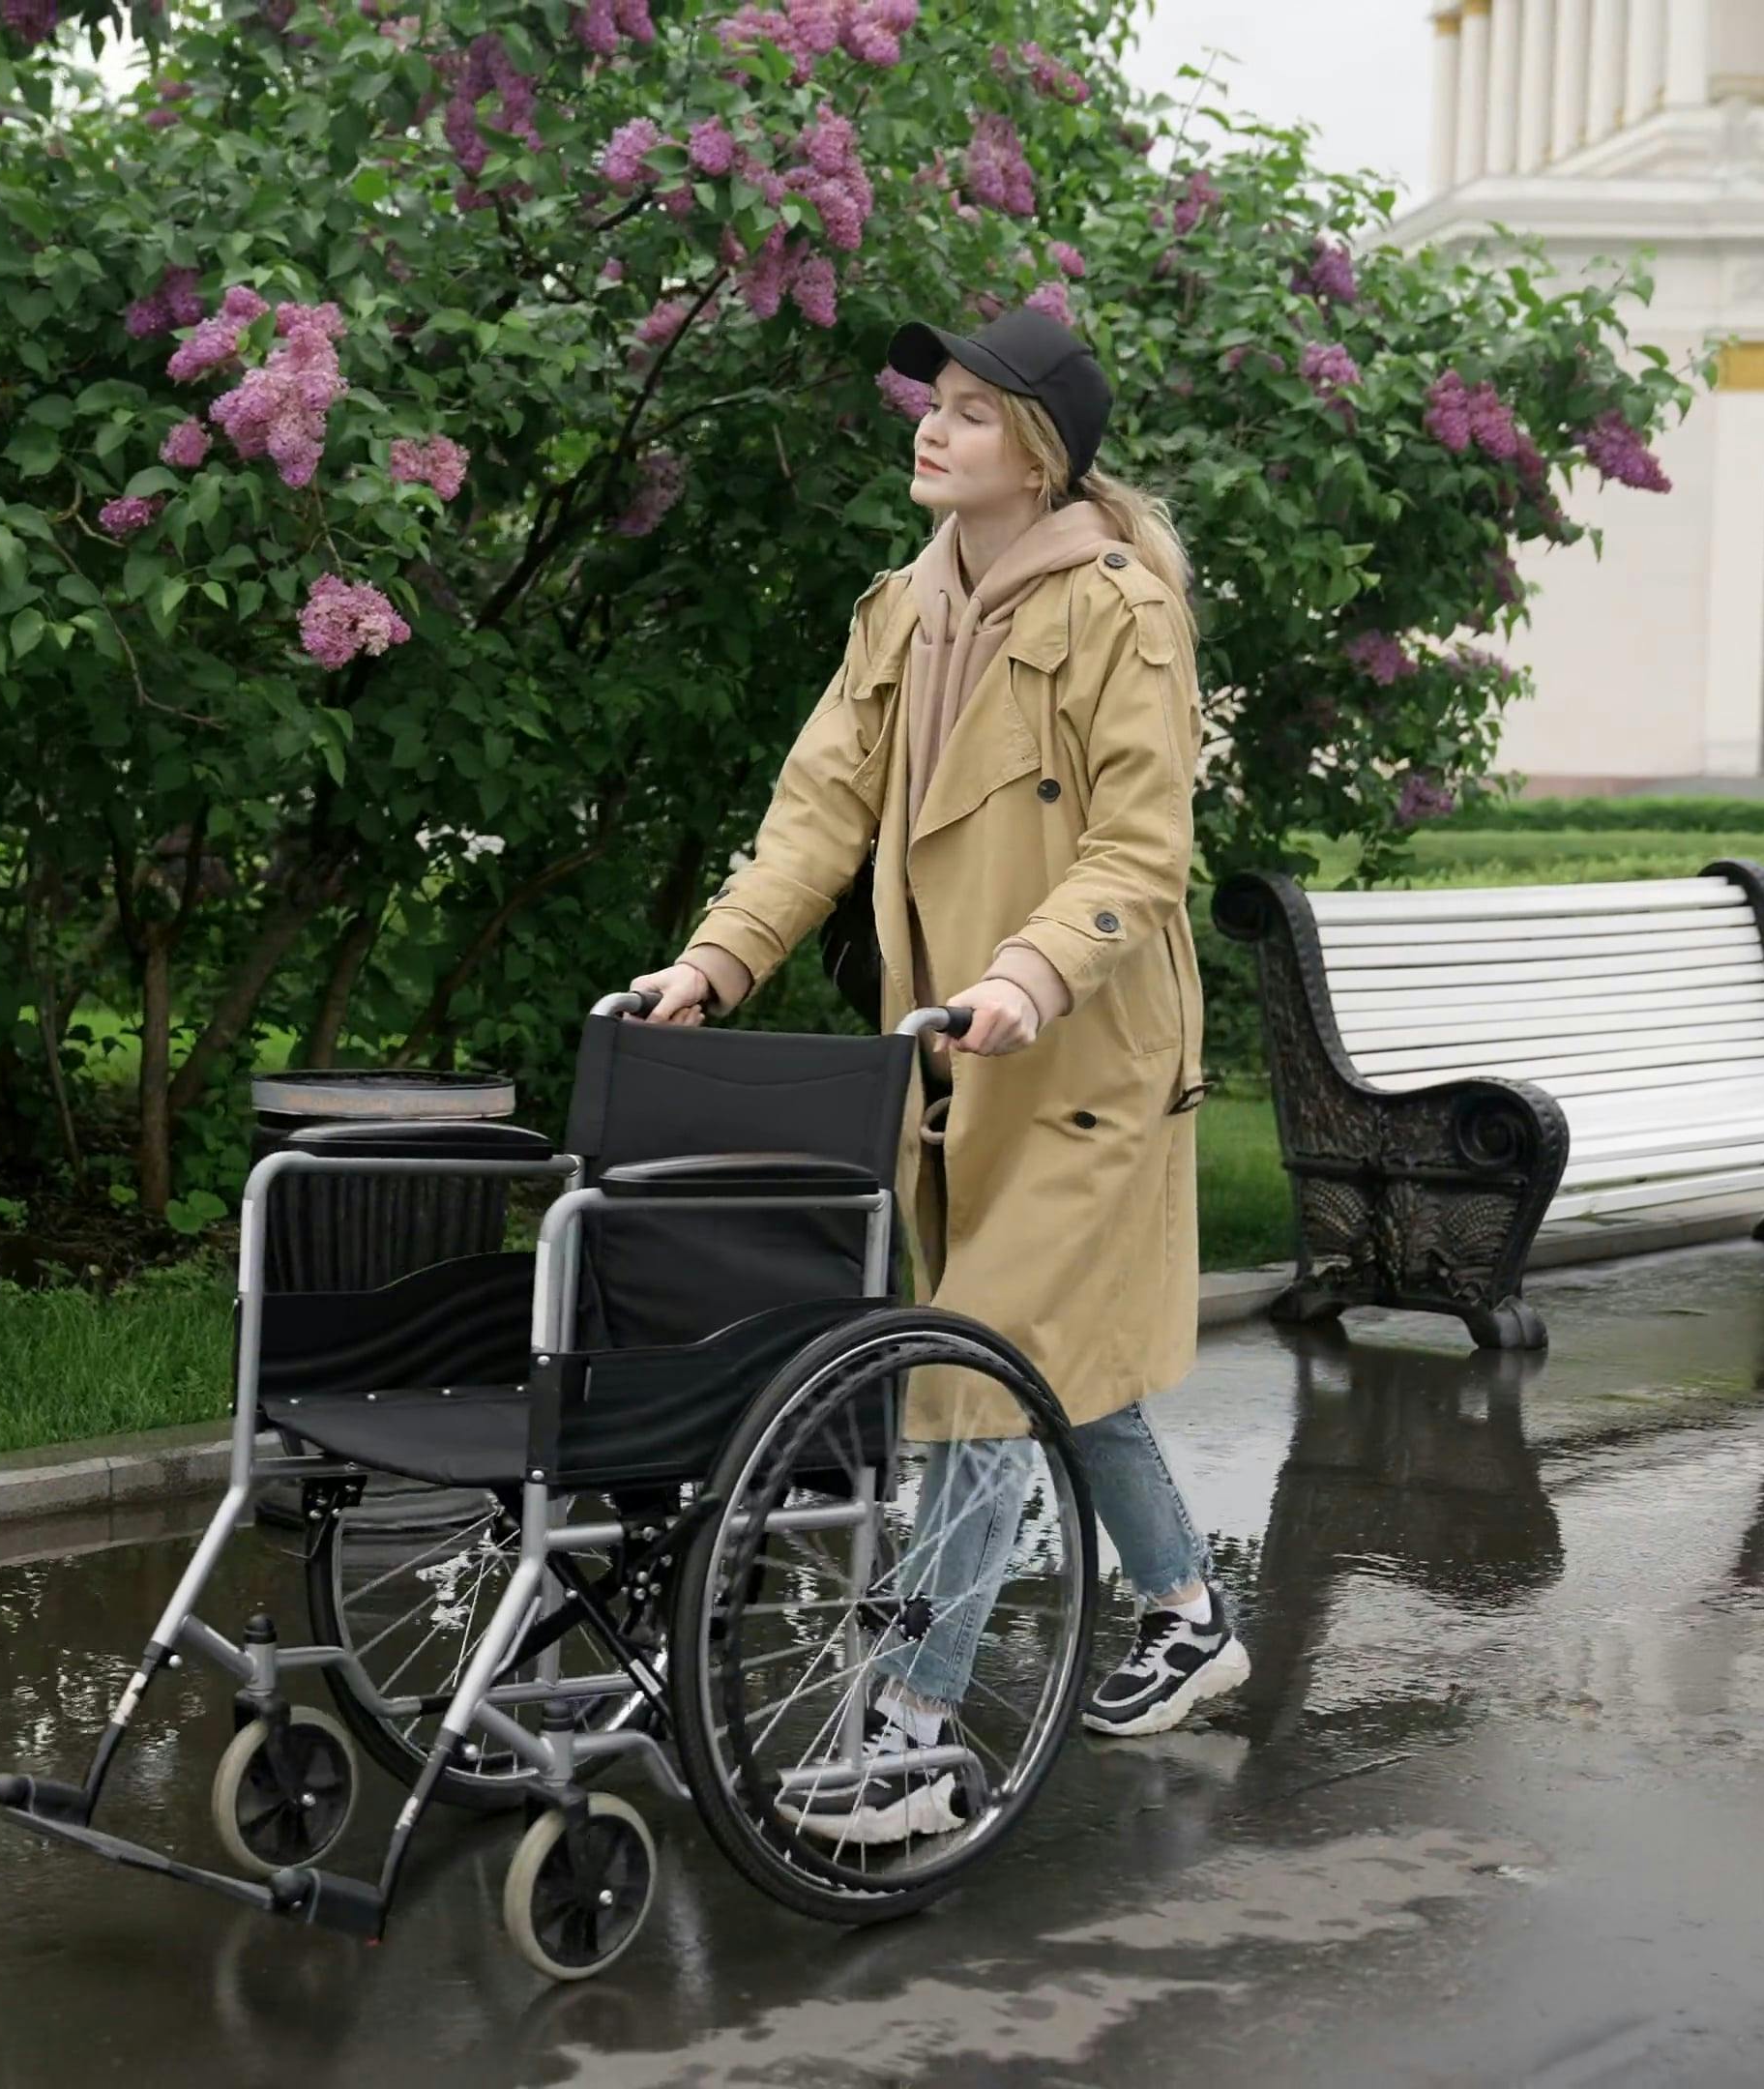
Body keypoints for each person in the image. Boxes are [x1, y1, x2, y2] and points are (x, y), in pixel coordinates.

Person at [631, 308, 1244, 1839]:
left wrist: (1029, 978)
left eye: (973, 411)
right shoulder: (903, 609)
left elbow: (1139, 848)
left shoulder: (1121, 609)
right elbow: (819, 810)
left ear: (1037, 455)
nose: (933, 425)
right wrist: (718, 961)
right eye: (934, 401)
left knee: (976, 1369)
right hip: (952, 1054)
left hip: (1082, 1044)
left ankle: (911, 1728)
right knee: (1041, 1351)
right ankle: (1187, 1609)